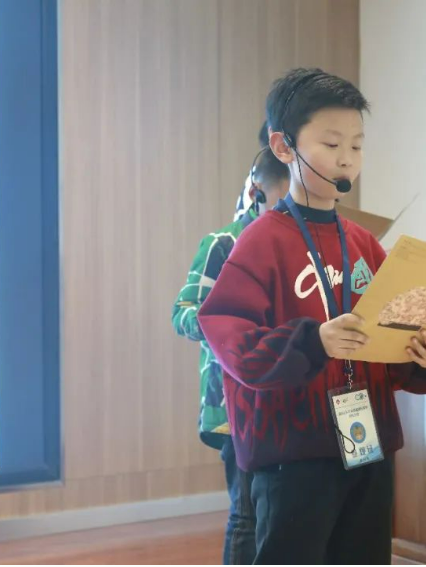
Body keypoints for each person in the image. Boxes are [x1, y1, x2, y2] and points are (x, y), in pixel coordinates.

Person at [197, 68, 426, 564]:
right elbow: (232, 340)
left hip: (366, 445)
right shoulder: (260, 241)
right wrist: (313, 341)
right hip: (293, 452)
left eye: (357, 146)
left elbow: (388, 340)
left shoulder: (362, 243)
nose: (347, 159)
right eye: (332, 143)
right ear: (283, 146)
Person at [171, 123, 289, 564]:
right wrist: (229, 325)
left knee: (282, 514)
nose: (289, 211)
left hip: (287, 397)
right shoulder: (224, 243)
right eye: (282, 201)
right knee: (246, 515)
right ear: (257, 192)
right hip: (234, 402)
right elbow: (182, 313)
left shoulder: (299, 246)